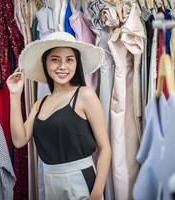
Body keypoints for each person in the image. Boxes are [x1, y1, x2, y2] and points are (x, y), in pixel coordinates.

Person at [6, 31, 111, 200]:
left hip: (81, 181)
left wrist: (97, 193)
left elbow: (105, 148)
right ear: (45, 63)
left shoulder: (85, 95)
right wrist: (15, 94)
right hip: (49, 181)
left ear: (77, 64)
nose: (62, 66)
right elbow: (19, 140)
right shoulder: (39, 104)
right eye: (55, 59)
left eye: (69, 59)